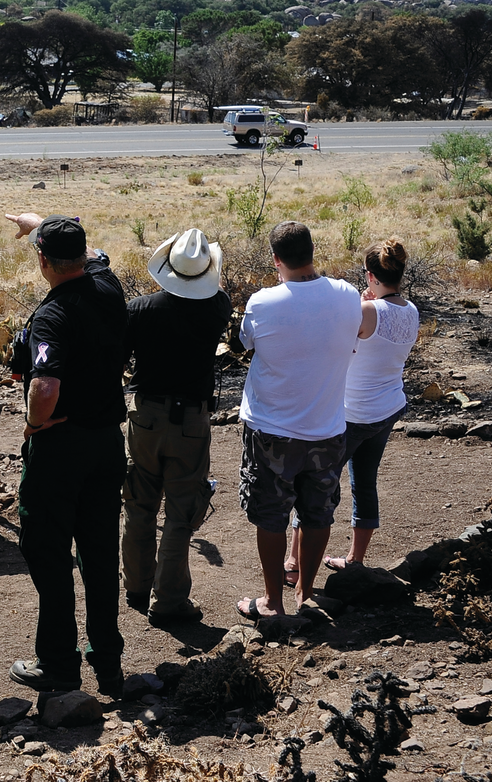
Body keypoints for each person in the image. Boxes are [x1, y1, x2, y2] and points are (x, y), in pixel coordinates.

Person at [5, 213, 128, 697]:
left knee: (48, 551)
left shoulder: (53, 313)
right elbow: (91, 251)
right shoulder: (107, 283)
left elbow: (45, 383)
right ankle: (108, 660)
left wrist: (35, 421)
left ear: (42, 260)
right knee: (99, 551)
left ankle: (57, 662)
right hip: (105, 444)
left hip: (61, 446)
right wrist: (38, 223)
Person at [236, 221, 362, 621]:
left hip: (272, 429)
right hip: (327, 426)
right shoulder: (345, 294)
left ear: (277, 259)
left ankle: (272, 601)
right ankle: (306, 593)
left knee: (271, 514)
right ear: (312, 251)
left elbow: (246, 342)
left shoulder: (263, 302)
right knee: (318, 511)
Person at [122, 229, 231, 628]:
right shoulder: (217, 307)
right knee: (181, 513)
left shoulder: (138, 308)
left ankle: (136, 586)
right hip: (190, 421)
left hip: (146, 414)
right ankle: (168, 599)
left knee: (139, 501)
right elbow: (218, 299)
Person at [318, 238, 418, 571]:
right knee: (365, 480)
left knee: (317, 487)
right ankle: (355, 560)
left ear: (370, 274)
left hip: (353, 413)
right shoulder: (411, 311)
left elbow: (335, 352)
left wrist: (362, 307)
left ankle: (296, 562)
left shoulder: (365, 311)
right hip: (387, 408)